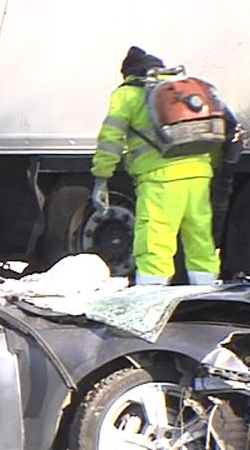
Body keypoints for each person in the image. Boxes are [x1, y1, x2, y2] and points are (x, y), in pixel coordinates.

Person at [89, 46, 220, 286]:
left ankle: (150, 296)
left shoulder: (127, 95)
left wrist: (101, 176)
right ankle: (207, 293)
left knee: (155, 241)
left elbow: (111, 139)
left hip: (160, 179)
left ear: (128, 74)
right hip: (198, 173)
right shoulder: (178, 89)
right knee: (200, 240)